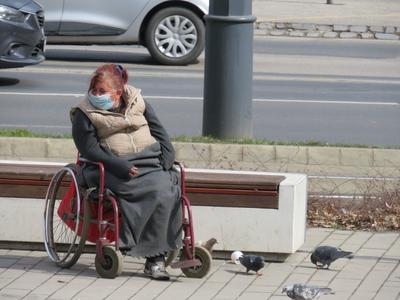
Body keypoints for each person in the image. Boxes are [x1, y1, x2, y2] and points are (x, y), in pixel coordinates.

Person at [70, 63, 182, 280]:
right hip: (107, 166)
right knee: (157, 191)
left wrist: (168, 155)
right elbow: (89, 149)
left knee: (170, 187)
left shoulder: (138, 101)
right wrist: (116, 164)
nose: (96, 95)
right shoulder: (84, 112)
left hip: (148, 161)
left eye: (102, 91)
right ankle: (155, 258)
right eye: (94, 90)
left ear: (118, 93)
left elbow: (159, 129)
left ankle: (156, 255)